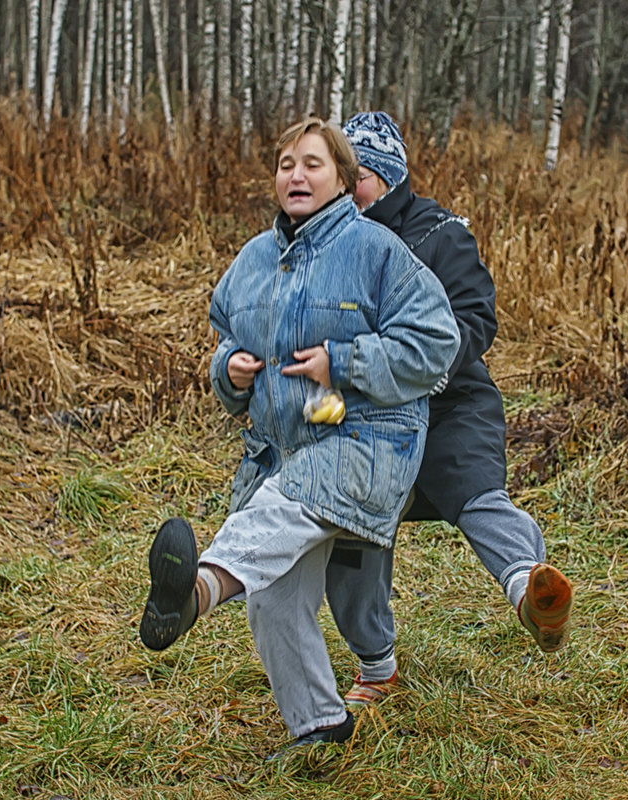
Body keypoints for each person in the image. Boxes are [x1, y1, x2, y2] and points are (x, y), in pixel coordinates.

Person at [138, 117, 459, 753]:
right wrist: (227, 371)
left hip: (368, 439)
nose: (296, 175)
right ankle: (320, 726)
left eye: (313, 163)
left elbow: (437, 344)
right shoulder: (254, 260)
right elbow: (227, 341)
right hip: (287, 449)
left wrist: (343, 362)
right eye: (286, 164)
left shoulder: (377, 252)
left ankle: (195, 593)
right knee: (273, 595)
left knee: (277, 509)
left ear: (343, 178)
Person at [325, 112, 574, 707]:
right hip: (364, 419)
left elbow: (474, 320)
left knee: (477, 498)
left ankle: (531, 593)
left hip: (450, 406)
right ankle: (376, 668)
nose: (342, 189)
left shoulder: (440, 234)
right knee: (355, 534)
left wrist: (413, 366)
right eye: (336, 176)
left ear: (383, 177)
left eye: (352, 176)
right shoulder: (325, 240)